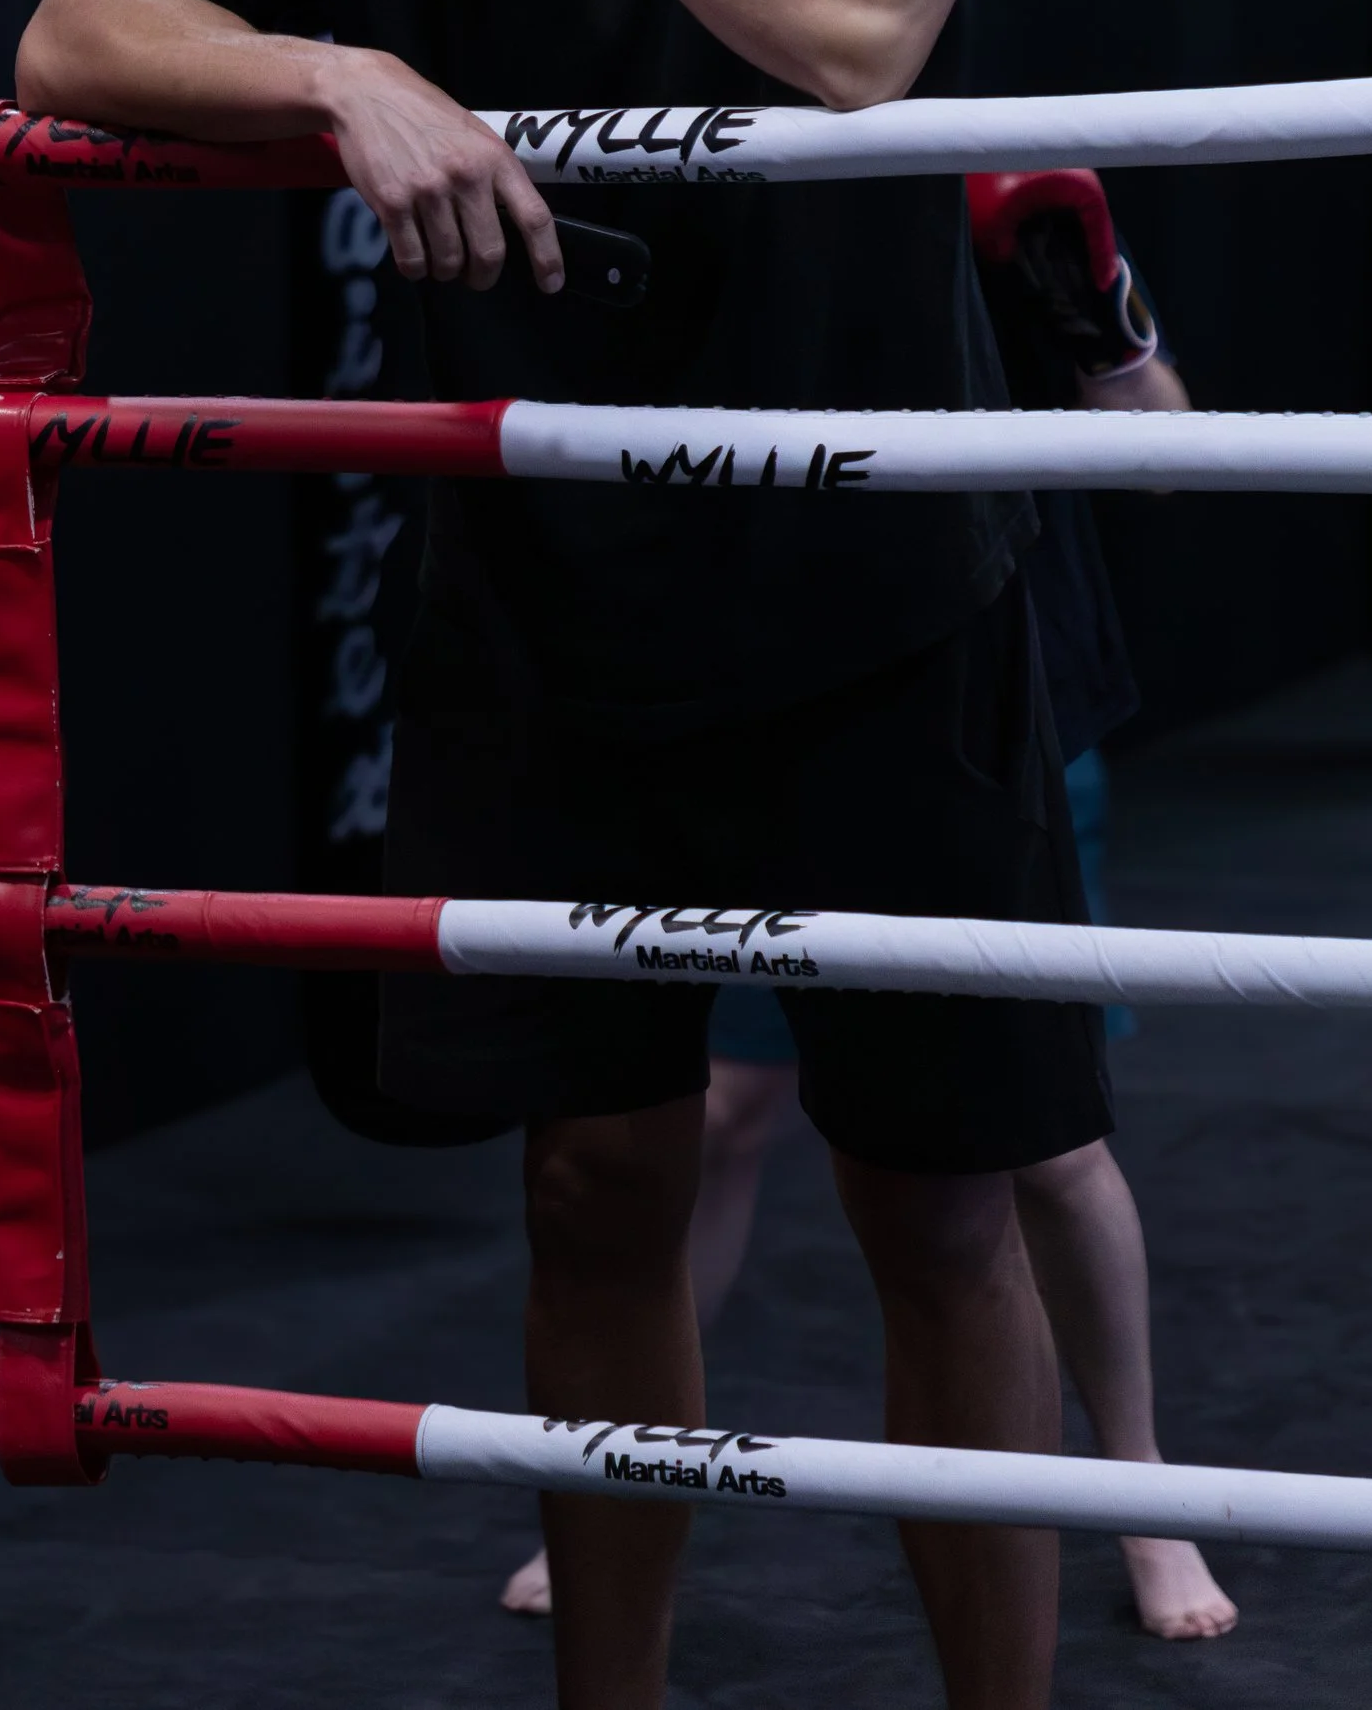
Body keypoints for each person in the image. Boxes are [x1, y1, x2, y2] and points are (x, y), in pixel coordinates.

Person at [21, 0, 1108, 1710]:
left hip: (872, 571)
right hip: (544, 576)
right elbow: (75, 29)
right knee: (594, 1183)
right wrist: (328, 66)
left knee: (937, 1208)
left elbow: (857, 30)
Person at [498, 169, 1239, 1647]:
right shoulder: (730, 181)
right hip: (769, 700)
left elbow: (1166, 452)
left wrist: (1093, 306)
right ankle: (629, 1472)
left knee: (1043, 1146)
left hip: (992, 705)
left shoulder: (987, 185)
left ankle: (1141, 1484)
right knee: (717, 1114)